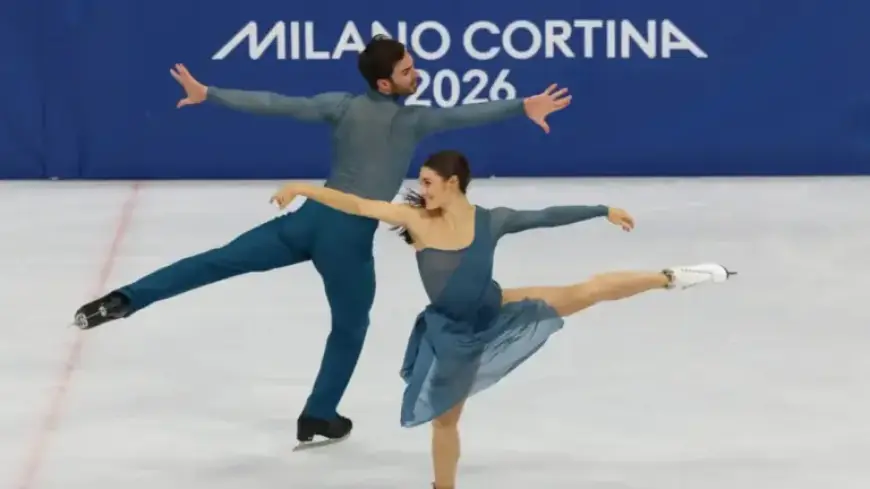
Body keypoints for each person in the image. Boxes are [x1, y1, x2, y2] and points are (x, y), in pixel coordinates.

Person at [70, 36, 572, 447]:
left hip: (308, 220)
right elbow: (469, 115)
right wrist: (522, 106)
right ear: (385, 82)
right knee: (350, 327)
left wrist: (211, 94)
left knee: (215, 261)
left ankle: (124, 299)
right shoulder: (412, 120)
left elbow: (276, 104)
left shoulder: (342, 106)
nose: (415, 73)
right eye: (407, 70)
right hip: (346, 239)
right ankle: (318, 413)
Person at [270, 149, 735, 488]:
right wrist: (303, 188)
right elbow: (356, 204)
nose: (421, 191)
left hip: (494, 309)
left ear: (452, 183)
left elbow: (546, 215)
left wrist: (602, 210)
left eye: (428, 183)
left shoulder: (492, 220)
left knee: (587, 291)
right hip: (452, 333)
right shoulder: (415, 219)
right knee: (445, 422)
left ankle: (671, 277)